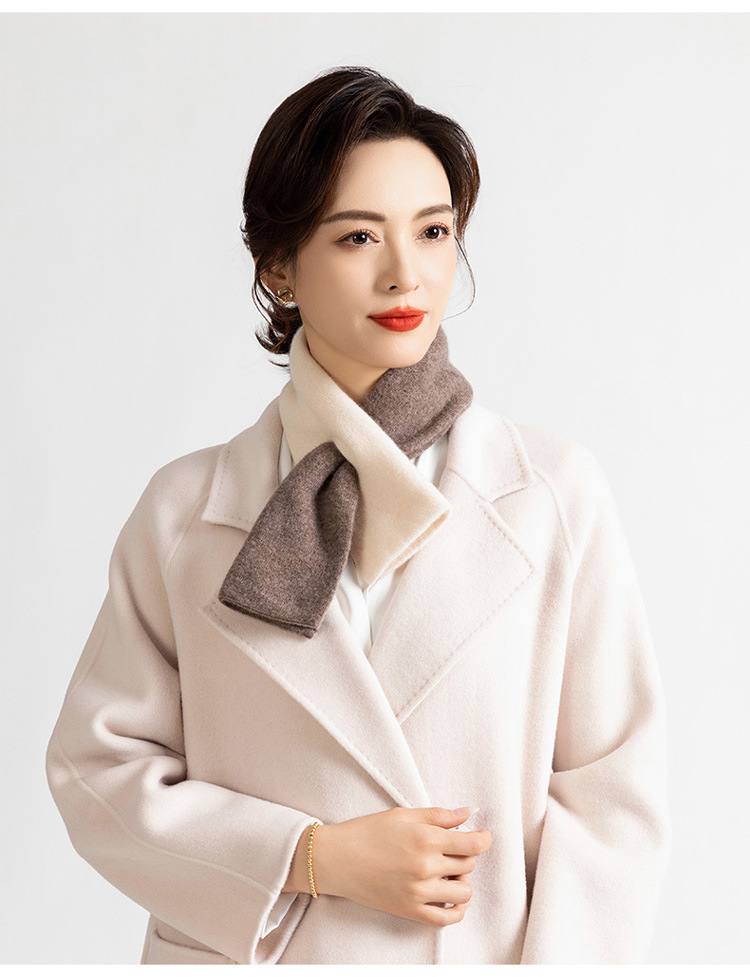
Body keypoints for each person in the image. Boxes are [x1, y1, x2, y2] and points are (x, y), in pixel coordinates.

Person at [46, 66, 671, 966]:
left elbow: (615, 798)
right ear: (279, 267)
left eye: (433, 231)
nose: (404, 273)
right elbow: (95, 770)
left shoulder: (553, 495)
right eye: (357, 236)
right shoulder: (185, 512)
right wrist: (311, 858)